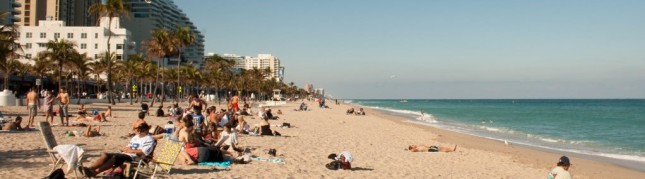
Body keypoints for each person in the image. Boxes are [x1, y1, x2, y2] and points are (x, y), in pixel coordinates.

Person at [79, 123, 155, 177]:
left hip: (135, 157)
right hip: (126, 154)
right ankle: (90, 169)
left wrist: (131, 150)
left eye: (141, 130)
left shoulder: (149, 139)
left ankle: (95, 172)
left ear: (146, 130)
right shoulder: (136, 137)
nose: (139, 132)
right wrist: (126, 149)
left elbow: (144, 152)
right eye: (138, 130)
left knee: (114, 158)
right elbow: (126, 147)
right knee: (105, 155)